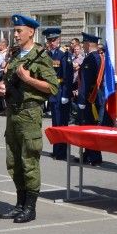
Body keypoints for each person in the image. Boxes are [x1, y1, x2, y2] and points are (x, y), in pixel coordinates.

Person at [0, 15, 58, 223]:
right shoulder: (15, 55)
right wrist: (2, 88)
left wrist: (29, 79)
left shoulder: (40, 56)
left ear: (31, 32)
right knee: (13, 161)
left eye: (19, 31)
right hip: (12, 112)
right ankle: (19, 203)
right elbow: (8, 81)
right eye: (14, 31)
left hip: (30, 114)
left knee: (29, 160)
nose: (15, 34)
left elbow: (52, 87)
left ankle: (30, 208)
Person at [76, 33, 110, 166]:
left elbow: (85, 81)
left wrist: (82, 100)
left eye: (84, 43)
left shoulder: (91, 59)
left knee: (89, 127)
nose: (83, 46)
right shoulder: (100, 57)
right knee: (91, 127)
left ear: (88, 44)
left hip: (91, 99)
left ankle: (94, 156)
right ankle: (89, 154)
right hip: (97, 97)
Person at [45, 28, 73, 159]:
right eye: (49, 41)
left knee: (62, 124)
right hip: (53, 92)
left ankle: (62, 152)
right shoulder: (48, 54)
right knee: (55, 124)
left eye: (53, 40)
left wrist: (66, 94)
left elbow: (68, 75)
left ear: (58, 40)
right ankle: (56, 150)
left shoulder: (64, 54)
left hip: (61, 91)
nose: (51, 43)